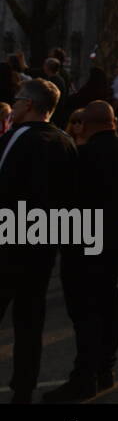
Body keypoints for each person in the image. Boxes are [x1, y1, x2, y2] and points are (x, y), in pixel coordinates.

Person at [43, 101, 118, 402]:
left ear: (88, 124)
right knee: (108, 301)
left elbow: (68, 199)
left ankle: (84, 377)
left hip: (83, 239)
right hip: (114, 236)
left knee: (85, 310)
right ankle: (106, 367)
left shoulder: (84, 156)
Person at [0, 79, 78, 402]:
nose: (14, 104)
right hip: (43, 245)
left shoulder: (14, 139)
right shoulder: (66, 142)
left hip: (8, 242)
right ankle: (23, 389)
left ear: (29, 104)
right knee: (30, 322)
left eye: (17, 99)